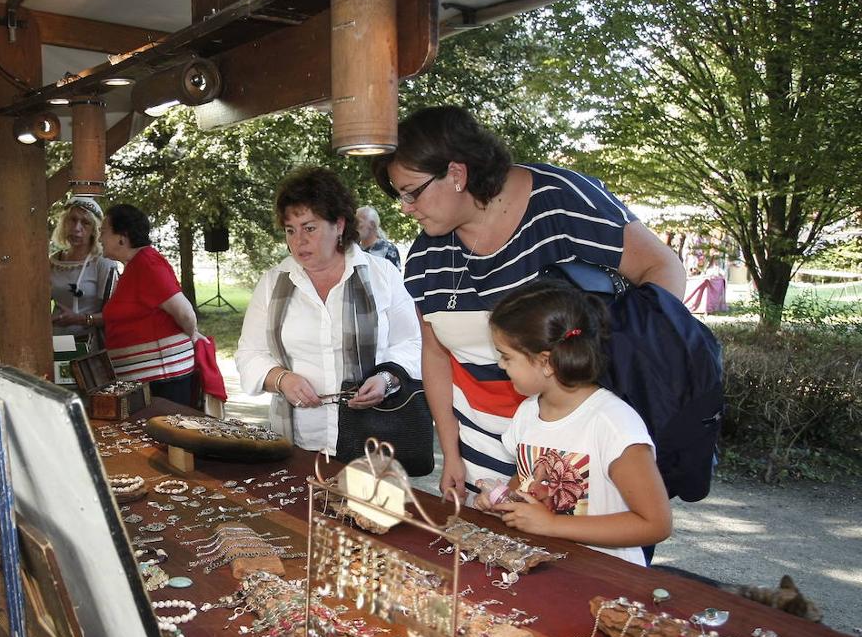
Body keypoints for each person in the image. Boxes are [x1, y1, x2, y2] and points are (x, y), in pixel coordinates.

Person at [372, 105, 686, 500]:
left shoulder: (560, 202)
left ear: (456, 174)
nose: (405, 207)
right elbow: (434, 355)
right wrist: (451, 453)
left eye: (411, 192)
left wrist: (635, 375)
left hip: (575, 454)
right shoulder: (424, 258)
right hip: (481, 454)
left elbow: (662, 268)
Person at [473, 281, 672, 566]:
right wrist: (505, 502)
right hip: (546, 571)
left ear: (547, 362)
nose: (501, 365)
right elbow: (526, 484)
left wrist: (552, 525)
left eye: (506, 357)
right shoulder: (528, 413)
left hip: (608, 578)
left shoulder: (612, 424)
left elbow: (656, 524)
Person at [236, 167, 421, 453]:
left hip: (373, 441)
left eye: (309, 228)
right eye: (290, 230)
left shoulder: (382, 275)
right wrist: (282, 379)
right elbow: (250, 353)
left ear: (339, 225)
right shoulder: (273, 283)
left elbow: (412, 343)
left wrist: (386, 379)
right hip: (298, 441)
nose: (298, 241)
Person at [99, 204, 201, 407]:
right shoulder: (134, 266)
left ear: (122, 237)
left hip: (164, 380)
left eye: (103, 232)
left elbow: (185, 313)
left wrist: (193, 335)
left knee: (165, 435)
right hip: (150, 381)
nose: (100, 238)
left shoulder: (147, 264)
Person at [50, 198, 120, 340]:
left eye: (85, 223)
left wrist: (80, 319)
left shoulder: (103, 263)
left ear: (95, 230)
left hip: (91, 348)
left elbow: (115, 316)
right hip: (57, 344)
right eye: (72, 220)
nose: (77, 228)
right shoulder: (52, 261)